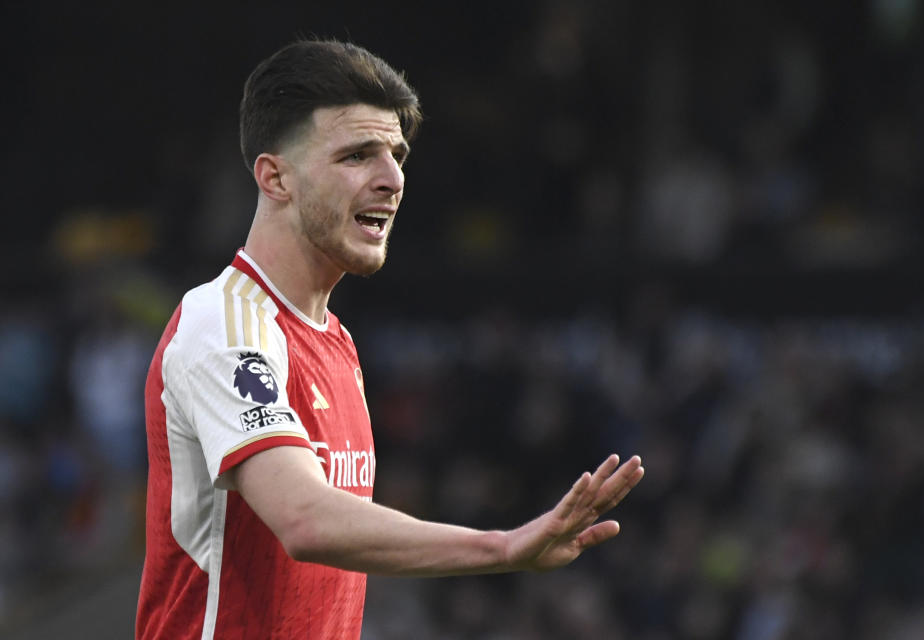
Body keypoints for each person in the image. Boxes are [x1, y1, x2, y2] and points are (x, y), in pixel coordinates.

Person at [135, 37, 645, 640]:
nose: (391, 178)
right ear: (275, 178)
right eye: (357, 155)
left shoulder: (335, 343)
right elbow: (304, 519)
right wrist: (502, 547)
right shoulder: (226, 322)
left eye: (396, 154)